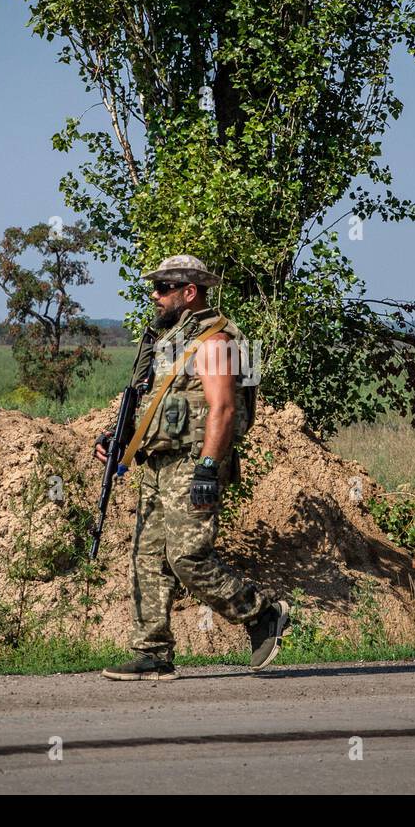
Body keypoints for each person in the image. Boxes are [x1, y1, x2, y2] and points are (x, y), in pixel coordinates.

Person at [93, 254, 289, 681]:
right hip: (158, 460)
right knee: (147, 556)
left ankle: (260, 613)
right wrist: (118, 437)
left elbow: (222, 407)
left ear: (190, 292)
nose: (155, 296)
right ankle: (151, 653)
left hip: (191, 463)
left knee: (186, 556)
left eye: (163, 288)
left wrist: (207, 469)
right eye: (156, 288)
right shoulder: (170, 342)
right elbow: (155, 403)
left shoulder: (214, 341)